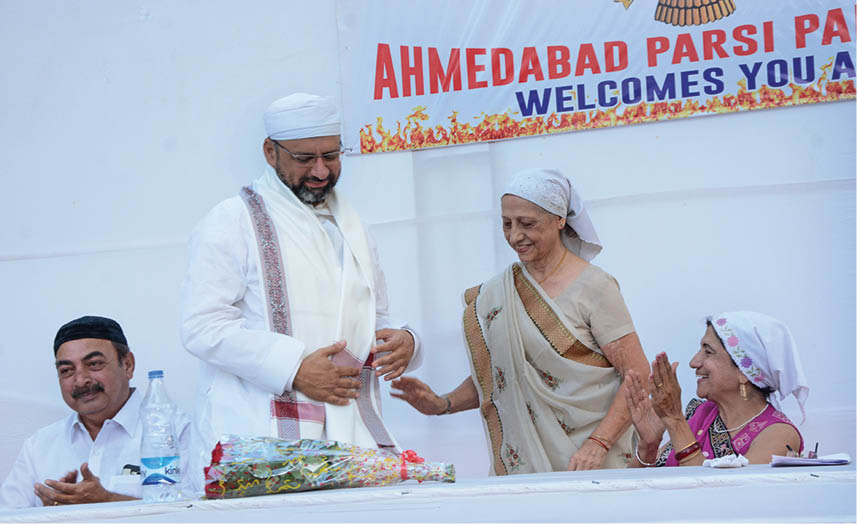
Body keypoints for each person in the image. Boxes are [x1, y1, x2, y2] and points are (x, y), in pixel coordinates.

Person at [180, 93, 422, 487]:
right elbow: (202, 326)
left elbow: (374, 316)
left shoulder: (353, 228)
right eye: (305, 158)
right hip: (258, 435)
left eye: (332, 155)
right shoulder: (232, 220)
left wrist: (406, 341)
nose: (321, 171)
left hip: (346, 441)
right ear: (270, 152)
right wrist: (293, 368)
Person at [391, 168, 651, 474]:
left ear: (559, 220)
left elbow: (638, 374)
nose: (515, 236)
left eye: (527, 224)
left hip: (591, 464)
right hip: (525, 472)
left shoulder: (595, 287)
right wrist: (442, 404)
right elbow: (500, 376)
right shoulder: (498, 293)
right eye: (507, 224)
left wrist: (599, 443)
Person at [0, 316, 190, 508]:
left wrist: (108, 501)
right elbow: (8, 516)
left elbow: (198, 511)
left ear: (127, 365)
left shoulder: (178, 430)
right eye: (67, 370)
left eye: (94, 364)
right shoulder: (39, 446)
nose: (81, 380)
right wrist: (49, 515)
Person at [625, 311, 808, 467]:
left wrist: (675, 420)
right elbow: (635, 490)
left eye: (708, 351)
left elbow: (714, 494)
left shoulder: (779, 434)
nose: (694, 362)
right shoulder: (701, 414)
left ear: (744, 372)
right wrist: (648, 446)